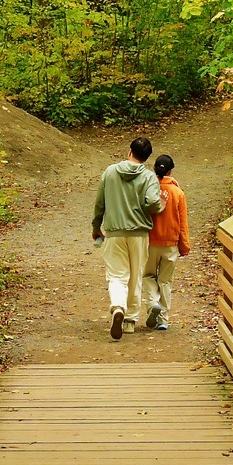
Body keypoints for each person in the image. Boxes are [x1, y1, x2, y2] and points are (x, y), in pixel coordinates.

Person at [92, 136, 163, 339]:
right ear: (147, 158)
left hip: (114, 233)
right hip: (139, 234)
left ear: (129, 151)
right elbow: (152, 202)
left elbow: (100, 204)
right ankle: (130, 320)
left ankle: (118, 308)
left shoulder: (110, 172)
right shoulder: (149, 177)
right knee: (135, 275)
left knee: (117, 276)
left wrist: (96, 227)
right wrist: (161, 205)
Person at [144, 153, 190, 330]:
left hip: (149, 241)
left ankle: (153, 303)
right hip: (170, 243)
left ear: (154, 169)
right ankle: (163, 319)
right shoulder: (178, 193)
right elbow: (183, 223)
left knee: (148, 276)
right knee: (165, 281)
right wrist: (184, 245)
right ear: (171, 171)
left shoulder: (148, 189)